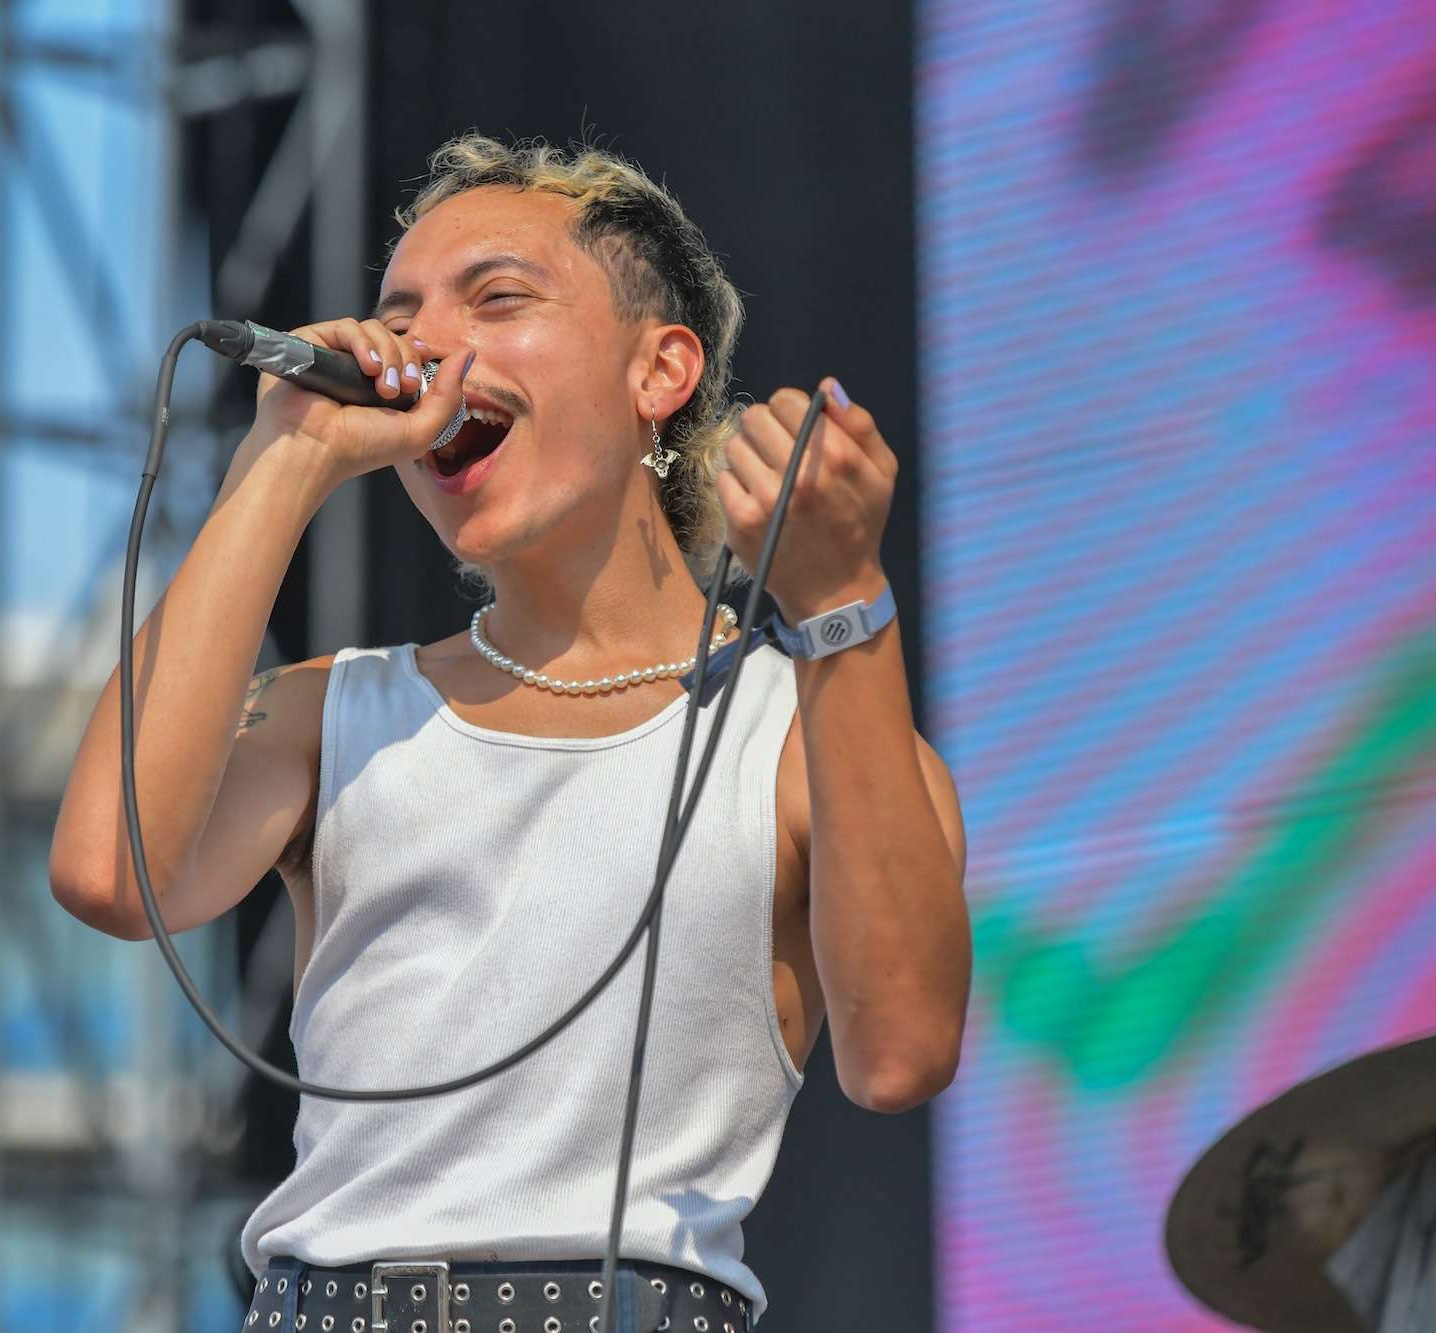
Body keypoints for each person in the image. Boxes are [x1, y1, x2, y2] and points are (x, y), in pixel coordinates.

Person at [48, 132, 971, 1330]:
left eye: (495, 299)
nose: (424, 345)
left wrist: (841, 599)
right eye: (399, 318)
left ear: (660, 369)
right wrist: (284, 457)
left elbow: (899, 1053)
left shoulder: (796, 734)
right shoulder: (337, 711)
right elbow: (109, 871)